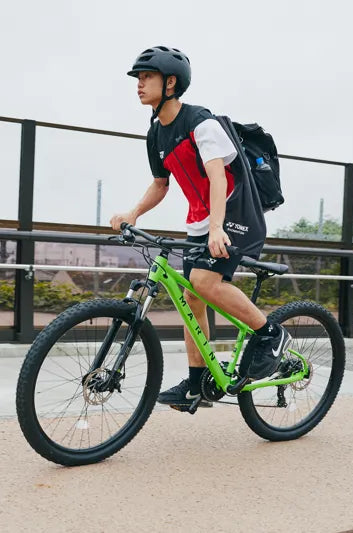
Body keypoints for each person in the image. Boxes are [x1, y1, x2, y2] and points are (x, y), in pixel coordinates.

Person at [109, 46, 291, 411]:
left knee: (206, 283)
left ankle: (271, 334)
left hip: (236, 215)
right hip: (201, 222)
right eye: (138, 78)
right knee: (192, 297)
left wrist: (218, 227)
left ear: (171, 82)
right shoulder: (156, 134)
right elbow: (161, 185)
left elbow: (218, 177)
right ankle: (197, 385)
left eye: (147, 77)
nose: (139, 84)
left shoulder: (201, 123)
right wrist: (134, 212)